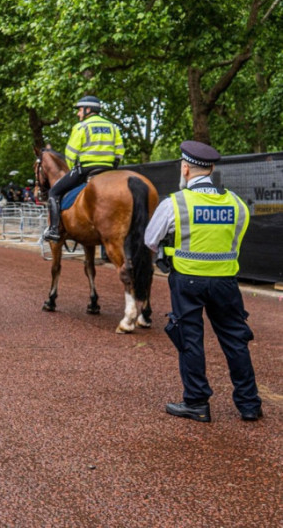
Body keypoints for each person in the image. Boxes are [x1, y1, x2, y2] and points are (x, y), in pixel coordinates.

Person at [144, 141, 261, 423]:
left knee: (190, 340)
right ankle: (249, 405)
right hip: (225, 282)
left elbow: (150, 239)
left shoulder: (175, 203)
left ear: (185, 168)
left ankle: (196, 403)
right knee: (235, 341)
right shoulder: (236, 203)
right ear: (212, 168)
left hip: (187, 280)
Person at [43, 95, 125, 241]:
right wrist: (113, 166)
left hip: (86, 169)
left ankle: (54, 229)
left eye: (80, 110)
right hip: (108, 170)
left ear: (88, 109)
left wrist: (73, 168)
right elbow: (120, 152)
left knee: (54, 192)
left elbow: (70, 153)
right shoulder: (112, 127)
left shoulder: (81, 127)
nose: (78, 113)